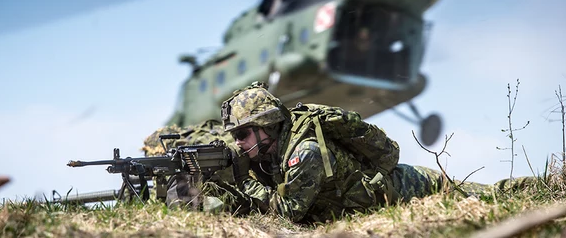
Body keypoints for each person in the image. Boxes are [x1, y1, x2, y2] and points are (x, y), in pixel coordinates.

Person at [208, 81, 500, 222]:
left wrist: (242, 179)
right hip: (377, 197)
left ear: (267, 125)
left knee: (492, 196)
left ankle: (541, 184)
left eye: (243, 134)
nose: (239, 143)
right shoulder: (272, 152)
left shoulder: (305, 152)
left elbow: (285, 214)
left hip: (409, 187)